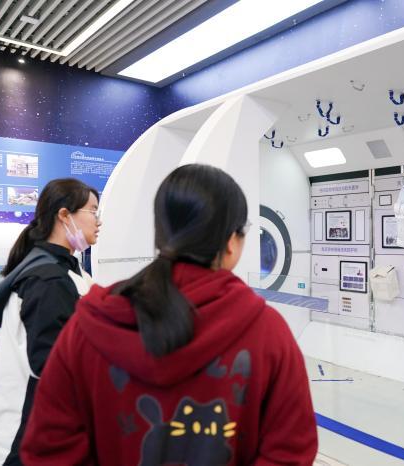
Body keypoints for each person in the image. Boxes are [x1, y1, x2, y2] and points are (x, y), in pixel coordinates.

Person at [21, 164, 318, 465]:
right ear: (231, 241)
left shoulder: (90, 326)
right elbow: (290, 450)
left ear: (162, 233)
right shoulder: (267, 332)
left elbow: (49, 449)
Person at [0, 178, 100, 466]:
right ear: (64, 215)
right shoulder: (48, 280)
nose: (99, 221)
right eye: (93, 211)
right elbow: (52, 367)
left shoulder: (64, 269)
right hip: (25, 440)